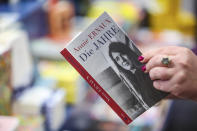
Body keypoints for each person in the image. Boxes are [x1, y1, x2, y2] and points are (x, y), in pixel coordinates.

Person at [108, 39, 167, 108]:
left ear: (128, 52)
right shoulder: (135, 78)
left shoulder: (145, 69)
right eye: (117, 59)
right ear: (117, 63)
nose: (122, 60)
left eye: (122, 54)